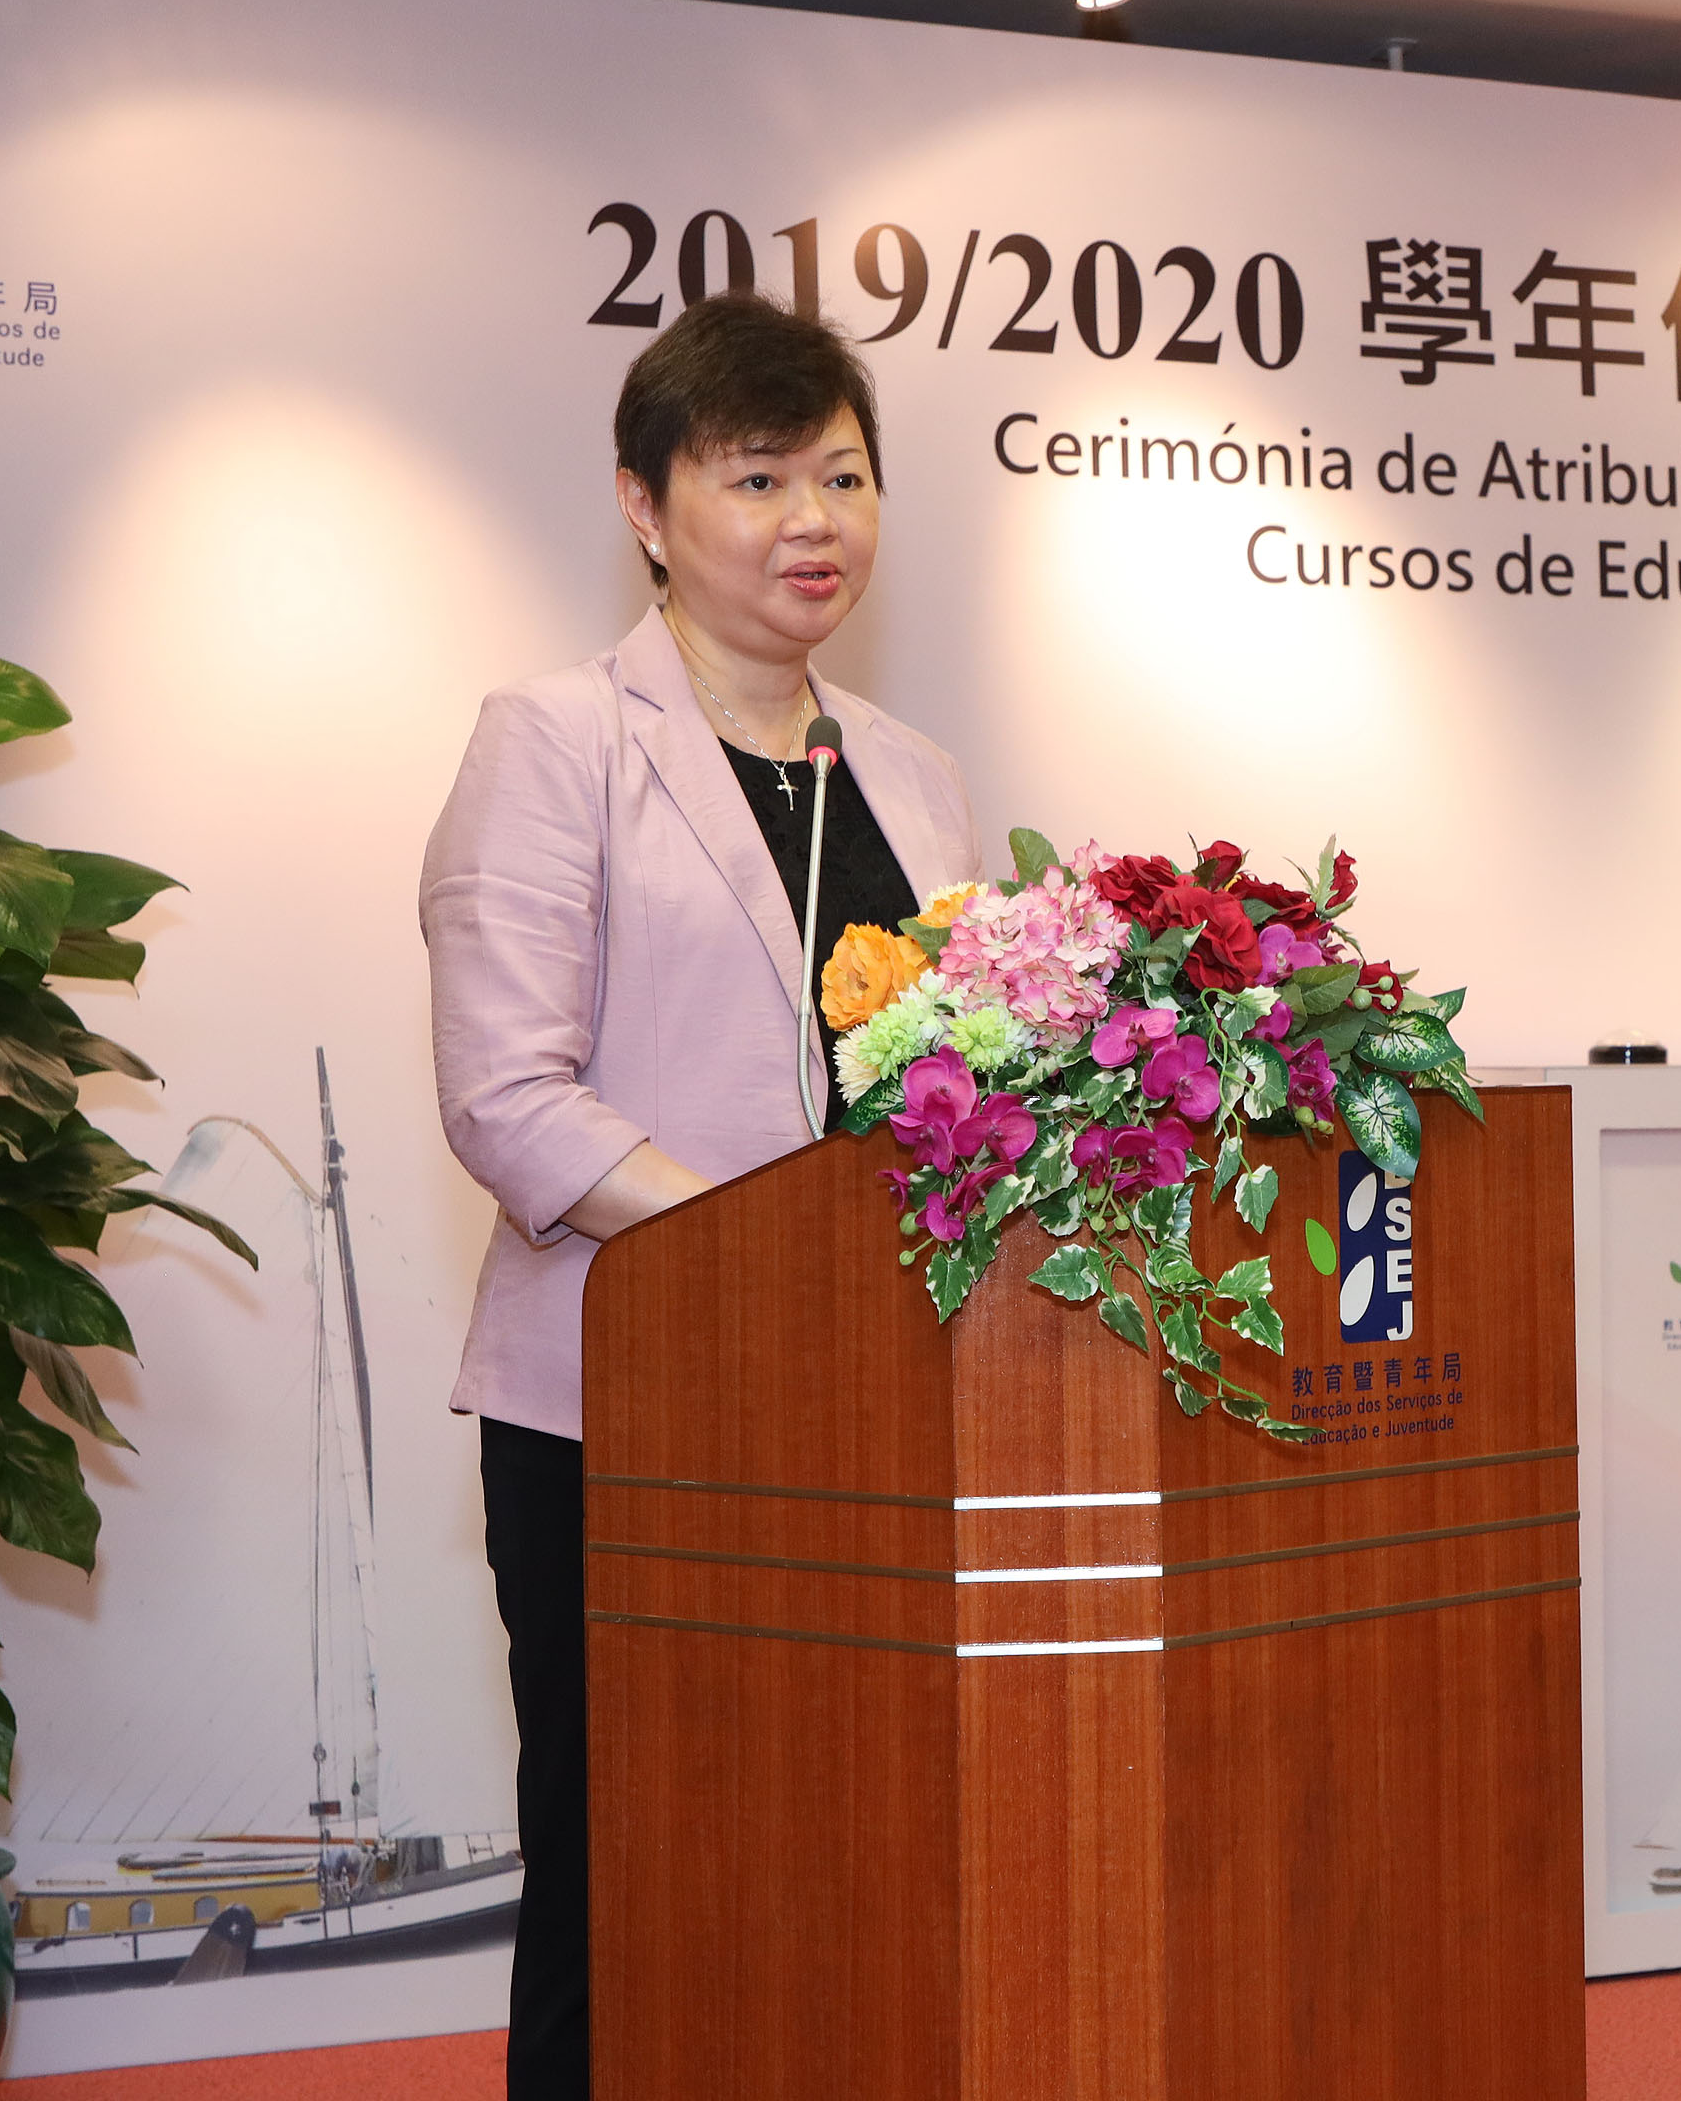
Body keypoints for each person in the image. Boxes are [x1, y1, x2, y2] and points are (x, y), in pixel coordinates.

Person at [418, 293, 976, 2100]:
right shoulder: (555, 739)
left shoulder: (914, 777)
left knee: (847, 1857)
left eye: (845, 477)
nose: (816, 520)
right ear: (645, 508)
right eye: (758, 478)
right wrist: (763, 1265)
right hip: (626, 1409)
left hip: (878, 1413)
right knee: (629, 1868)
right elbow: (509, 1099)